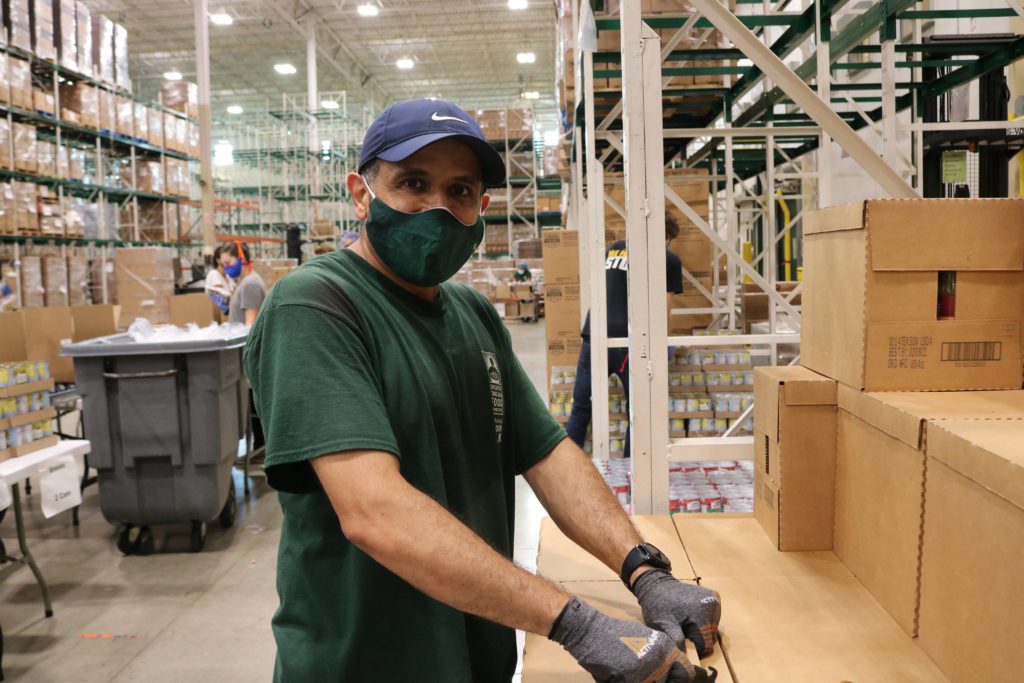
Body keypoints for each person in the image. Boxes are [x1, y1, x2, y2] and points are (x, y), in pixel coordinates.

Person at [243, 99, 719, 683]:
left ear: (482, 207)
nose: (438, 208)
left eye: (460, 191)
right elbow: (375, 512)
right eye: (413, 183)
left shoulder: (471, 311)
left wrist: (645, 571)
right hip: (365, 664)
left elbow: (546, 453)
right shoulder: (315, 305)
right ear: (361, 193)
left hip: (478, 658)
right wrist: (577, 623)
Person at [565, 217, 685, 457]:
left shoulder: (615, 249)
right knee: (637, 411)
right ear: (666, 237)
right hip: (630, 342)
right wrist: (664, 342)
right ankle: (631, 471)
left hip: (595, 333)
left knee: (581, 406)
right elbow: (664, 305)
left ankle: (568, 463)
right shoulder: (668, 259)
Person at [220, 242, 266, 327]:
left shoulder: (250, 284)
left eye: (228, 263)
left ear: (242, 259)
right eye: (224, 265)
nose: (226, 268)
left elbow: (251, 326)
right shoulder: (244, 282)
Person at [204, 244, 235, 315]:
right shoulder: (214, 274)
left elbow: (235, 292)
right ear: (218, 260)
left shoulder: (228, 277)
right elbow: (221, 296)